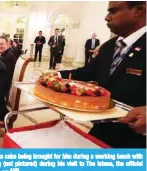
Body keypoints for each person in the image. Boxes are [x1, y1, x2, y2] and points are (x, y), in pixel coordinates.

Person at [58, 1, 146, 148]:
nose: (106, 17)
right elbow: (87, 73)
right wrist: (57, 76)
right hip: (103, 131)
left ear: (138, 10)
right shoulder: (109, 46)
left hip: (138, 141)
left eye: (113, 11)